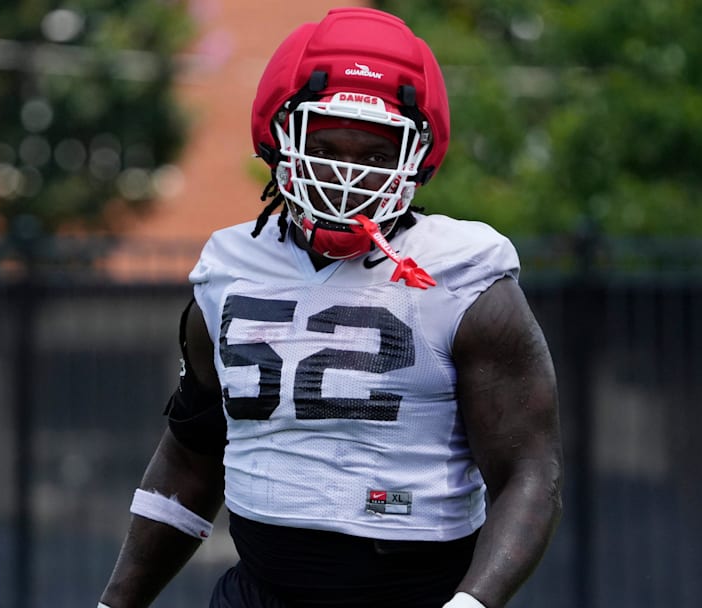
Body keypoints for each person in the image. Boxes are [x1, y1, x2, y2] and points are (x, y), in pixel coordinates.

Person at [98, 7, 562, 608]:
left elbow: (530, 474)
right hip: (258, 593)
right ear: (280, 139)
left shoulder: (465, 275)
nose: (347, 171)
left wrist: (471, 604)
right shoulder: (228, 270)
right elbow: (193, 454)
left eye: (373, 151)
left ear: (414, 154)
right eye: (326, 143)